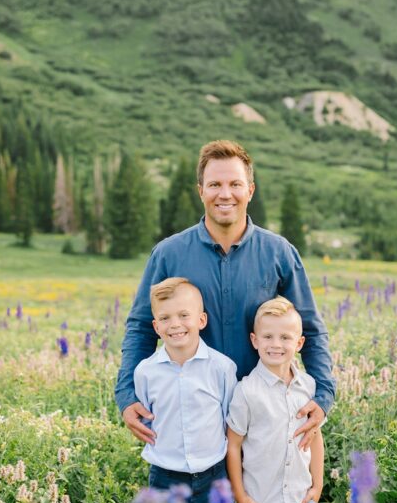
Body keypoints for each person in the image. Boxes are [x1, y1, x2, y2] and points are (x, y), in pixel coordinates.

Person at [116, 140, 334, 452]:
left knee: (264, 502)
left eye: (235, 184)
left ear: (251, 190)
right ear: (200, 190)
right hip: (187, 420)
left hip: (265, 418)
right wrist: (127, 396)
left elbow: (309, 328)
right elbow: (140, 326)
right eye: (215, 184)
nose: (225, 194)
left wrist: (322, 396)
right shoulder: (168, 254)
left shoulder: (280, 253)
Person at [133, 277, 237, 503]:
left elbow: (228, 420)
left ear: (201, 320)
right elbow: (149, 417)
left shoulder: (221, 368)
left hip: (211, 474)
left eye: (183, 315)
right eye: (165, 318)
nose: (175, 325)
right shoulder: (146, 372)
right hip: (166, 475)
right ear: (155, 325)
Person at [226, 296, 323, 503]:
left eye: (285, 338)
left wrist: (318, 485)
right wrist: (240, 495)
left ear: (299, 343)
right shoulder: (246, 391)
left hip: (300, 502)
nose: (276, 345)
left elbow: (315, 437)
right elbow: (233, 446)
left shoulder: (309, 387)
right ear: (255, 340)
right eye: (267, 337)